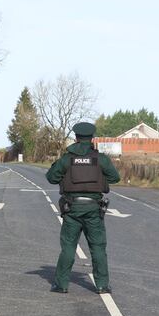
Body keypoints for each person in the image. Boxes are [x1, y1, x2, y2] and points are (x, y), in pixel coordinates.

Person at [45, 122, 120, 294]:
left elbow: (51, 177)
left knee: (69, 247)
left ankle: (61, 284)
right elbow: (115, 178)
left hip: (72, 210)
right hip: (94, 209)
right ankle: (102, 285)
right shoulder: (100, 159)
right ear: (92, 138)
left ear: (76, 137)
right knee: (98, 247)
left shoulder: (67, 159)